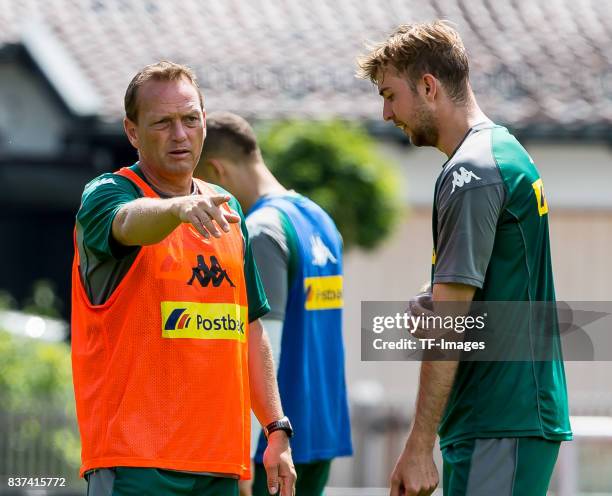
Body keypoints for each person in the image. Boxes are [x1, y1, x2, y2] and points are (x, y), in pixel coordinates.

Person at [357, 21, 571, 496]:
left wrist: (417, 446)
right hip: (502, 418)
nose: (386, 112)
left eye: (391, 94)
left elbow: (452, 322)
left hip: (498, 418)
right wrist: (434, 299)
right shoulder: (502, 151)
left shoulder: (470, 174)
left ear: (429, 86)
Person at [71, 61, 296, 496]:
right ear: (133, 132)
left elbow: (248, 329)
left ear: (205, 123)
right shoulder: (107, 194)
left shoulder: (226, 208)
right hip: (136, 464)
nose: (180, 134)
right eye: (163, 123)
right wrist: (176, 209)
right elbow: (127, 223)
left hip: (219, 464)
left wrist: (276, 430)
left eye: (190, 119)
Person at [195, 112, 353, 496]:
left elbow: (265, 343)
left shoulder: (263, 231)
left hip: (273, 447)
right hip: (321, 432)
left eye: (198, 185)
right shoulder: (320, 219)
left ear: (216, 171)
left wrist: (246, 457)